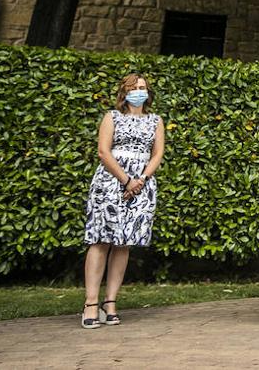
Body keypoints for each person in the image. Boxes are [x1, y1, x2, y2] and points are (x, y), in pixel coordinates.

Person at [81, 74, 165, 329]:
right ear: (124, 92)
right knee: (101, 239)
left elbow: (157, 153)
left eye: (142, 88)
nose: (139, 91)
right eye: (133, 88)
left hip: (142, 185)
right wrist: (126, 180)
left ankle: (111, 302)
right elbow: (103, 151)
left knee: (124, 242)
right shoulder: (112, 117)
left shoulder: (155, 120)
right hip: (111, 182)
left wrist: (140, 180)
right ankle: (91, 303)